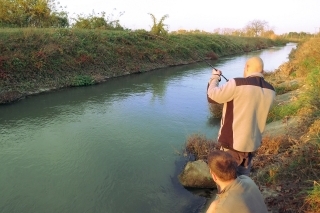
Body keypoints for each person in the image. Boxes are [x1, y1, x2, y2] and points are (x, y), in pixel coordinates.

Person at [207, 56, 275, 176]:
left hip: (231, 147)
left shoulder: (237, 83)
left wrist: (215, 77)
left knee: (226, 184)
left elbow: (212, 96)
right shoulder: (271, 90)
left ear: (247, 67)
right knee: (243, 180)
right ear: (262, 72)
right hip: (250, 147)